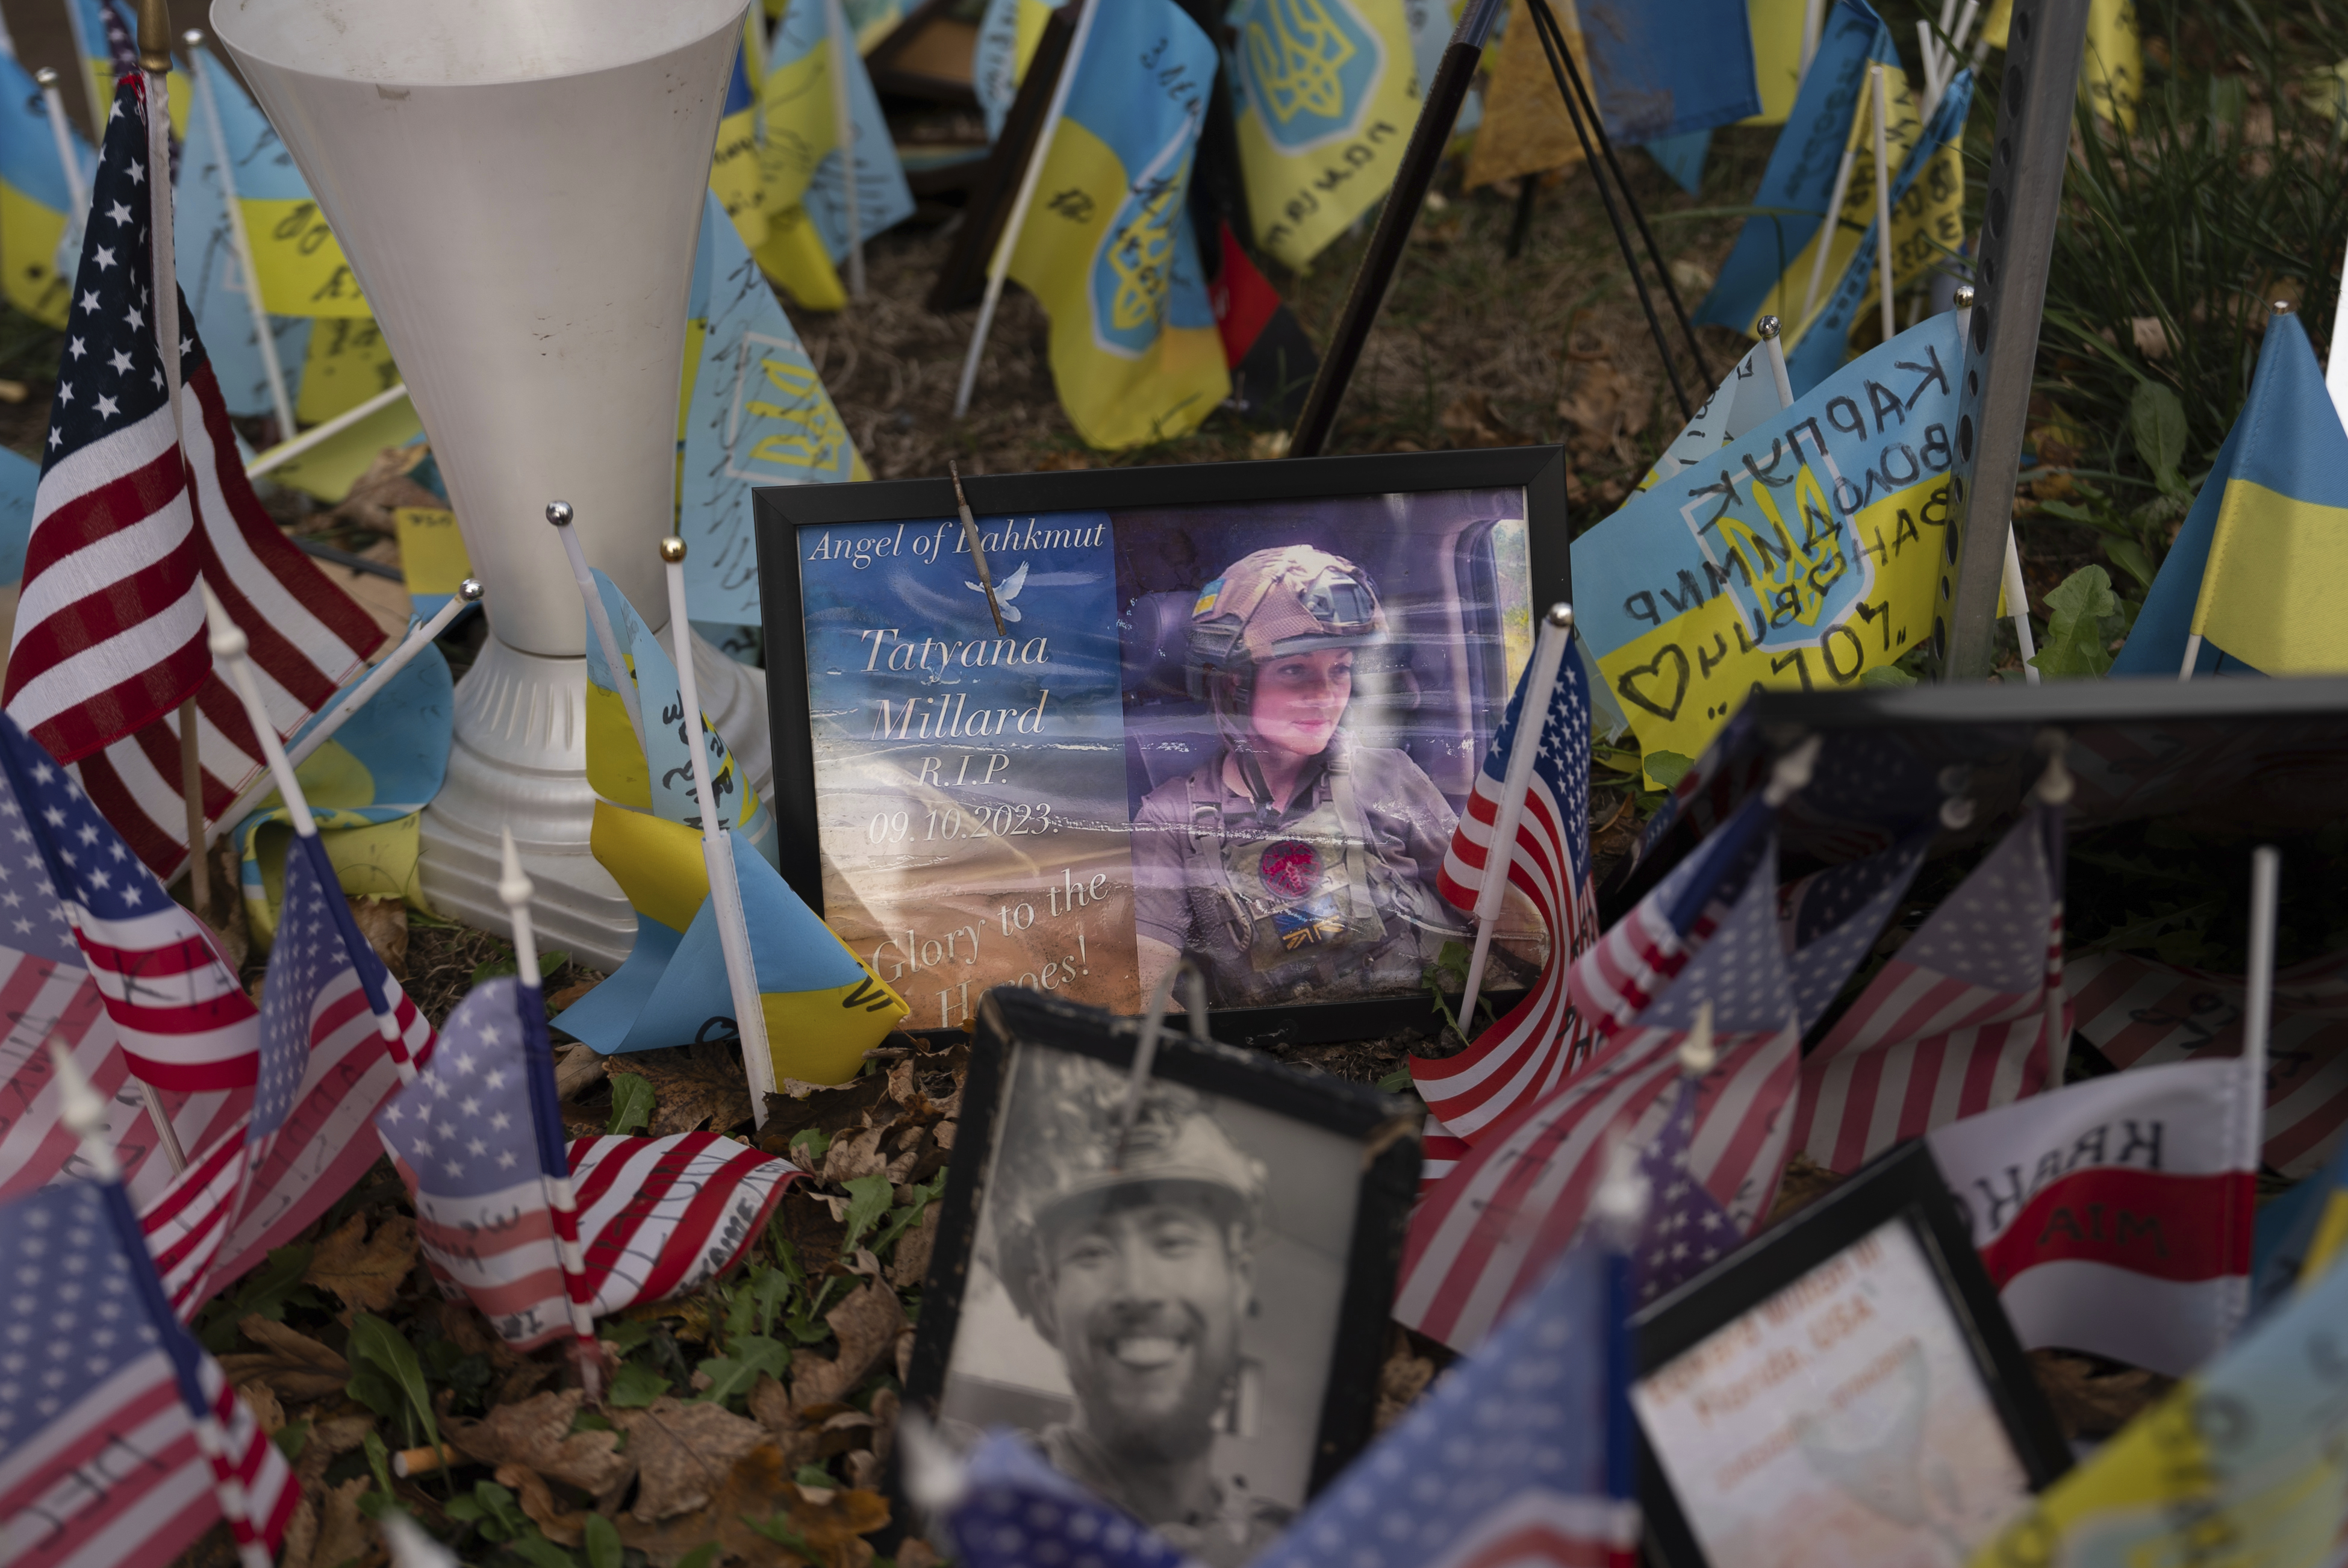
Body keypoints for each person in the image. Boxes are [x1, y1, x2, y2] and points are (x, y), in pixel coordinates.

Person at [1130, 544, 1466, 1007]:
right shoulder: (1171, 819)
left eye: (1341, 669)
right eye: (1294, 670)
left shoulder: (1385, 773)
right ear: (1232, 682)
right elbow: (1146, 991)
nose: (1326, 695)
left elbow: (1487, 907)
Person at [991, 1054, 1290, 1566]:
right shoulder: (969, 1496)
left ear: (1239, 1283)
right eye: (1092, 1251)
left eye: (1173, 1242)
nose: (1137, 1289)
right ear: (1045, 1304)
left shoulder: (1300, 1543)